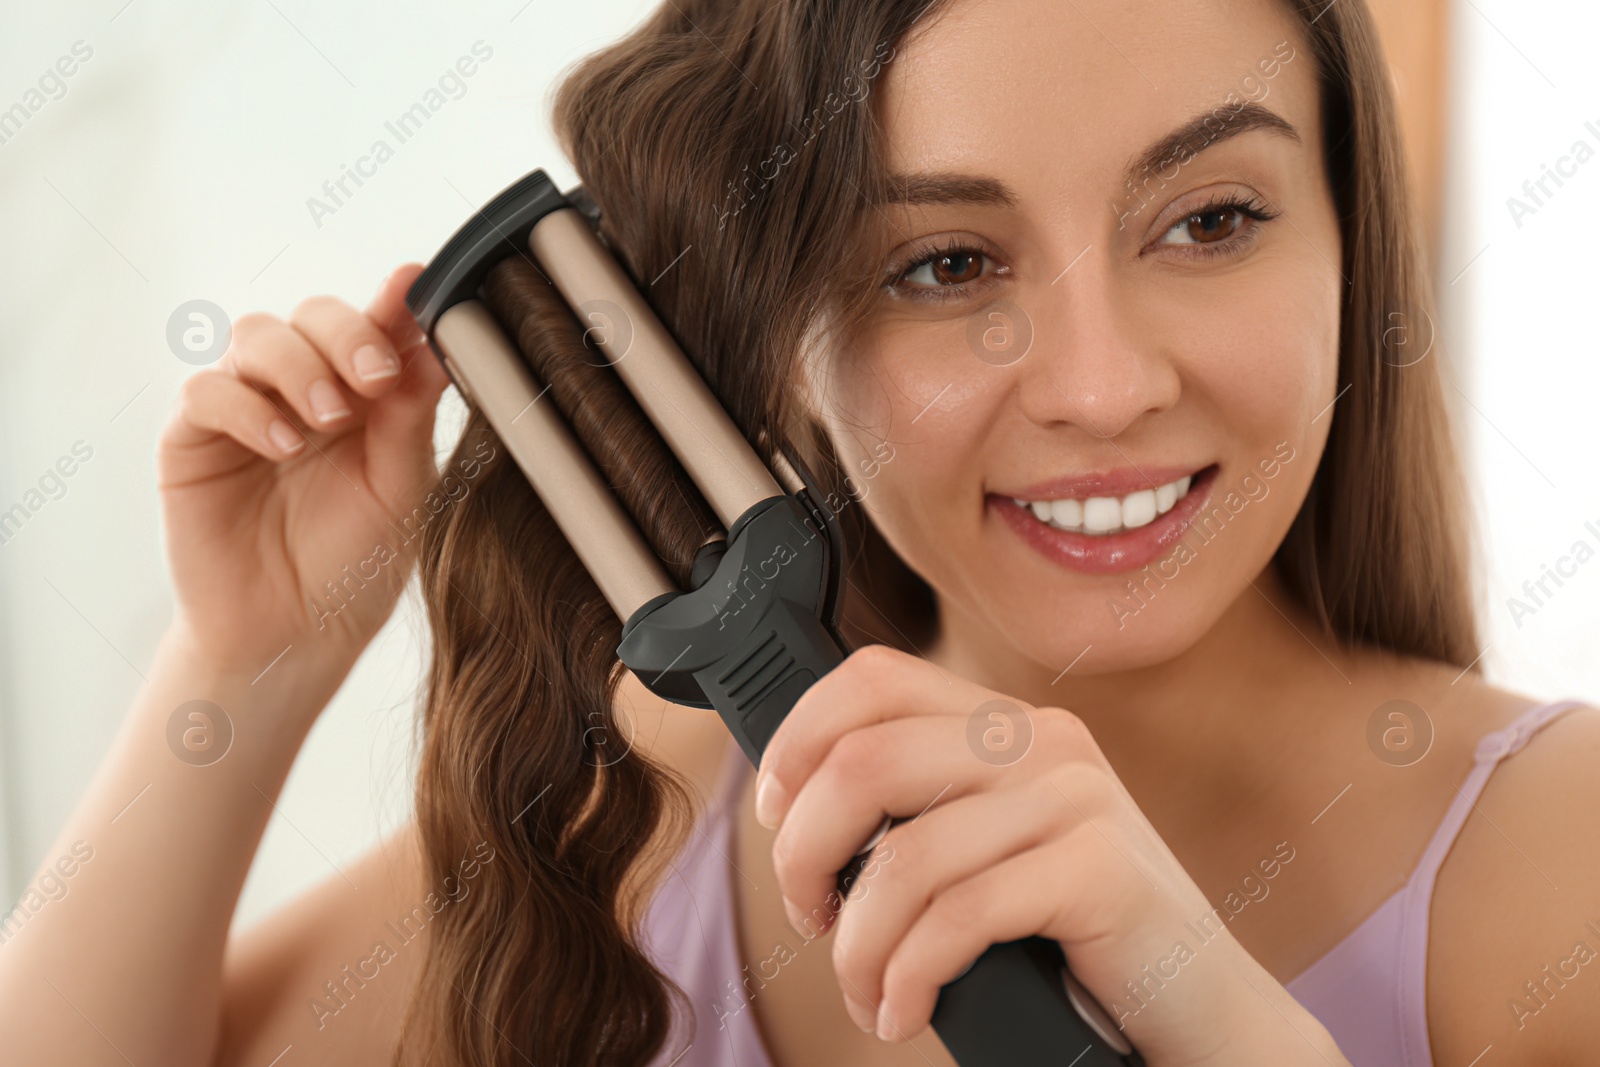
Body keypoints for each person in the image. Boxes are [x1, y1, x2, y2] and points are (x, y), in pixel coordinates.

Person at [4, 0, 1597, 1064]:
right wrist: (250, 663)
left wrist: (1216, 1014)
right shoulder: (672, 800)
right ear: (784, 357)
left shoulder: (1553, 864)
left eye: (1211, 220)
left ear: (1348, 245)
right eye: (945, 266)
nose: (1103, 388)